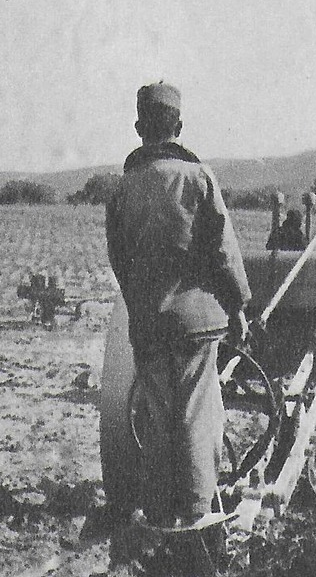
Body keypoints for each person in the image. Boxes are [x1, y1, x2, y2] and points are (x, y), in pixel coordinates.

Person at [105, 81, 252, 537]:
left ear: (138, 128)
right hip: (197, 323)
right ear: (179, 127)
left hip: (148, 324)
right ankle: (195, 511)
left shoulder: (123, 190)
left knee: (156, 414)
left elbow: (119, 259)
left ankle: (157, 511)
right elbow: (224, 254)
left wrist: (141, 306)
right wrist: (240, 306)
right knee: (193, 412)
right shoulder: (199, 179)